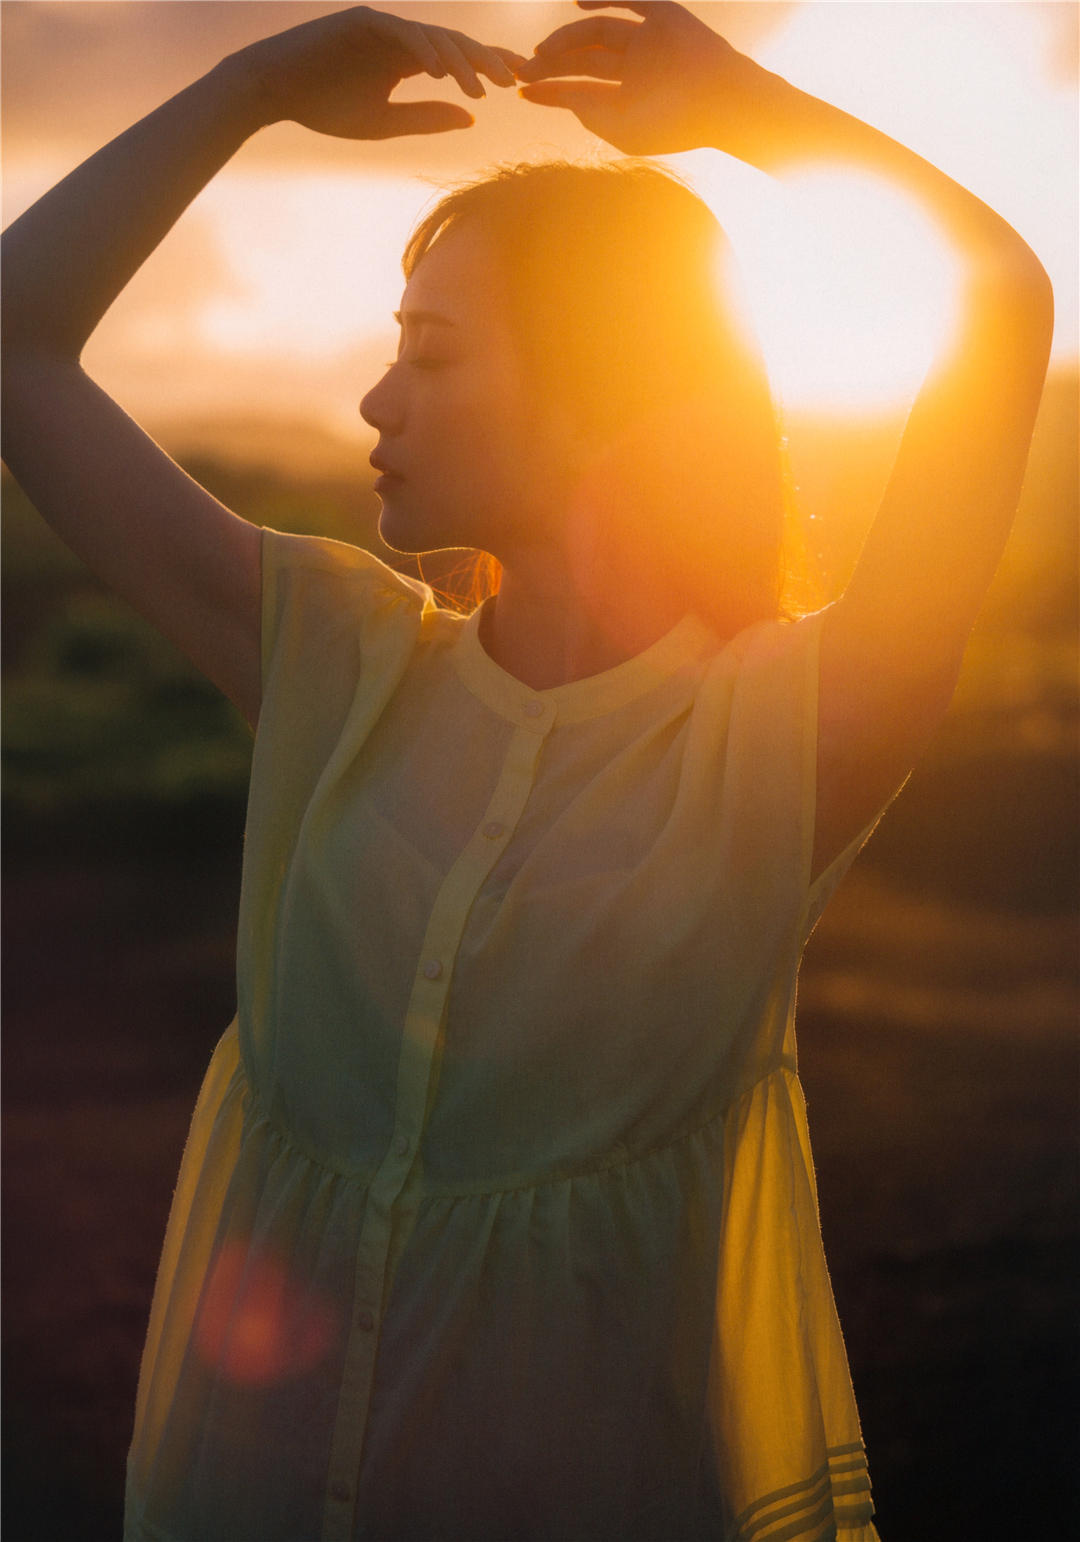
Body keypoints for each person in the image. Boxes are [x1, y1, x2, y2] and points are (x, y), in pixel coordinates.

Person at [1, 3, 1053, 1539]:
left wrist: (752, 109)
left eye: (430, 355)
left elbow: (1001, 297)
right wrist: (248, 87)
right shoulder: (333, 656)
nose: (377, 401)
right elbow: (13, 342)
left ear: (603, 393)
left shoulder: (783, 733)